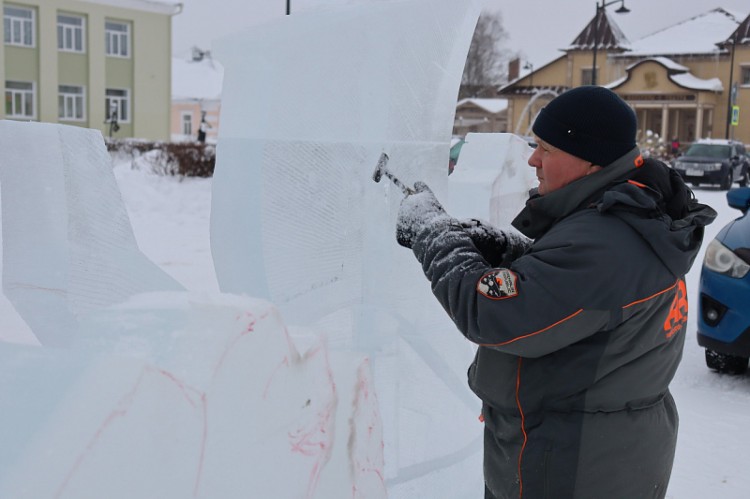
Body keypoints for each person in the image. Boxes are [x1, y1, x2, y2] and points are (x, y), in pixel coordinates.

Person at [394, 86, 716, 498]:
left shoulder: (605, 244)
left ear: (590, 160)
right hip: (608, 450)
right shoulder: (635, 216)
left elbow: (492, 312)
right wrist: (509, 249)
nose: (533, 159)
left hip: (571, 465)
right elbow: (575, 291)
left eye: (546, 148)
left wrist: (432, 234)